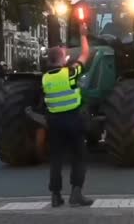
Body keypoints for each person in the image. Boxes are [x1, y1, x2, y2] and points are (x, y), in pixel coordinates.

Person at [42, 22, 91, 207]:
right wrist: (83, 35)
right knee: (78, 156)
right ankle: (76, 194)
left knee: (56, 159)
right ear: (62, 59)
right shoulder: (70, 73)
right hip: (73, 120)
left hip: (54, 122)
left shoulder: (46, 78)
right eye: (65, 54)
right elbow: (85, 54)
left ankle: (55, 195)